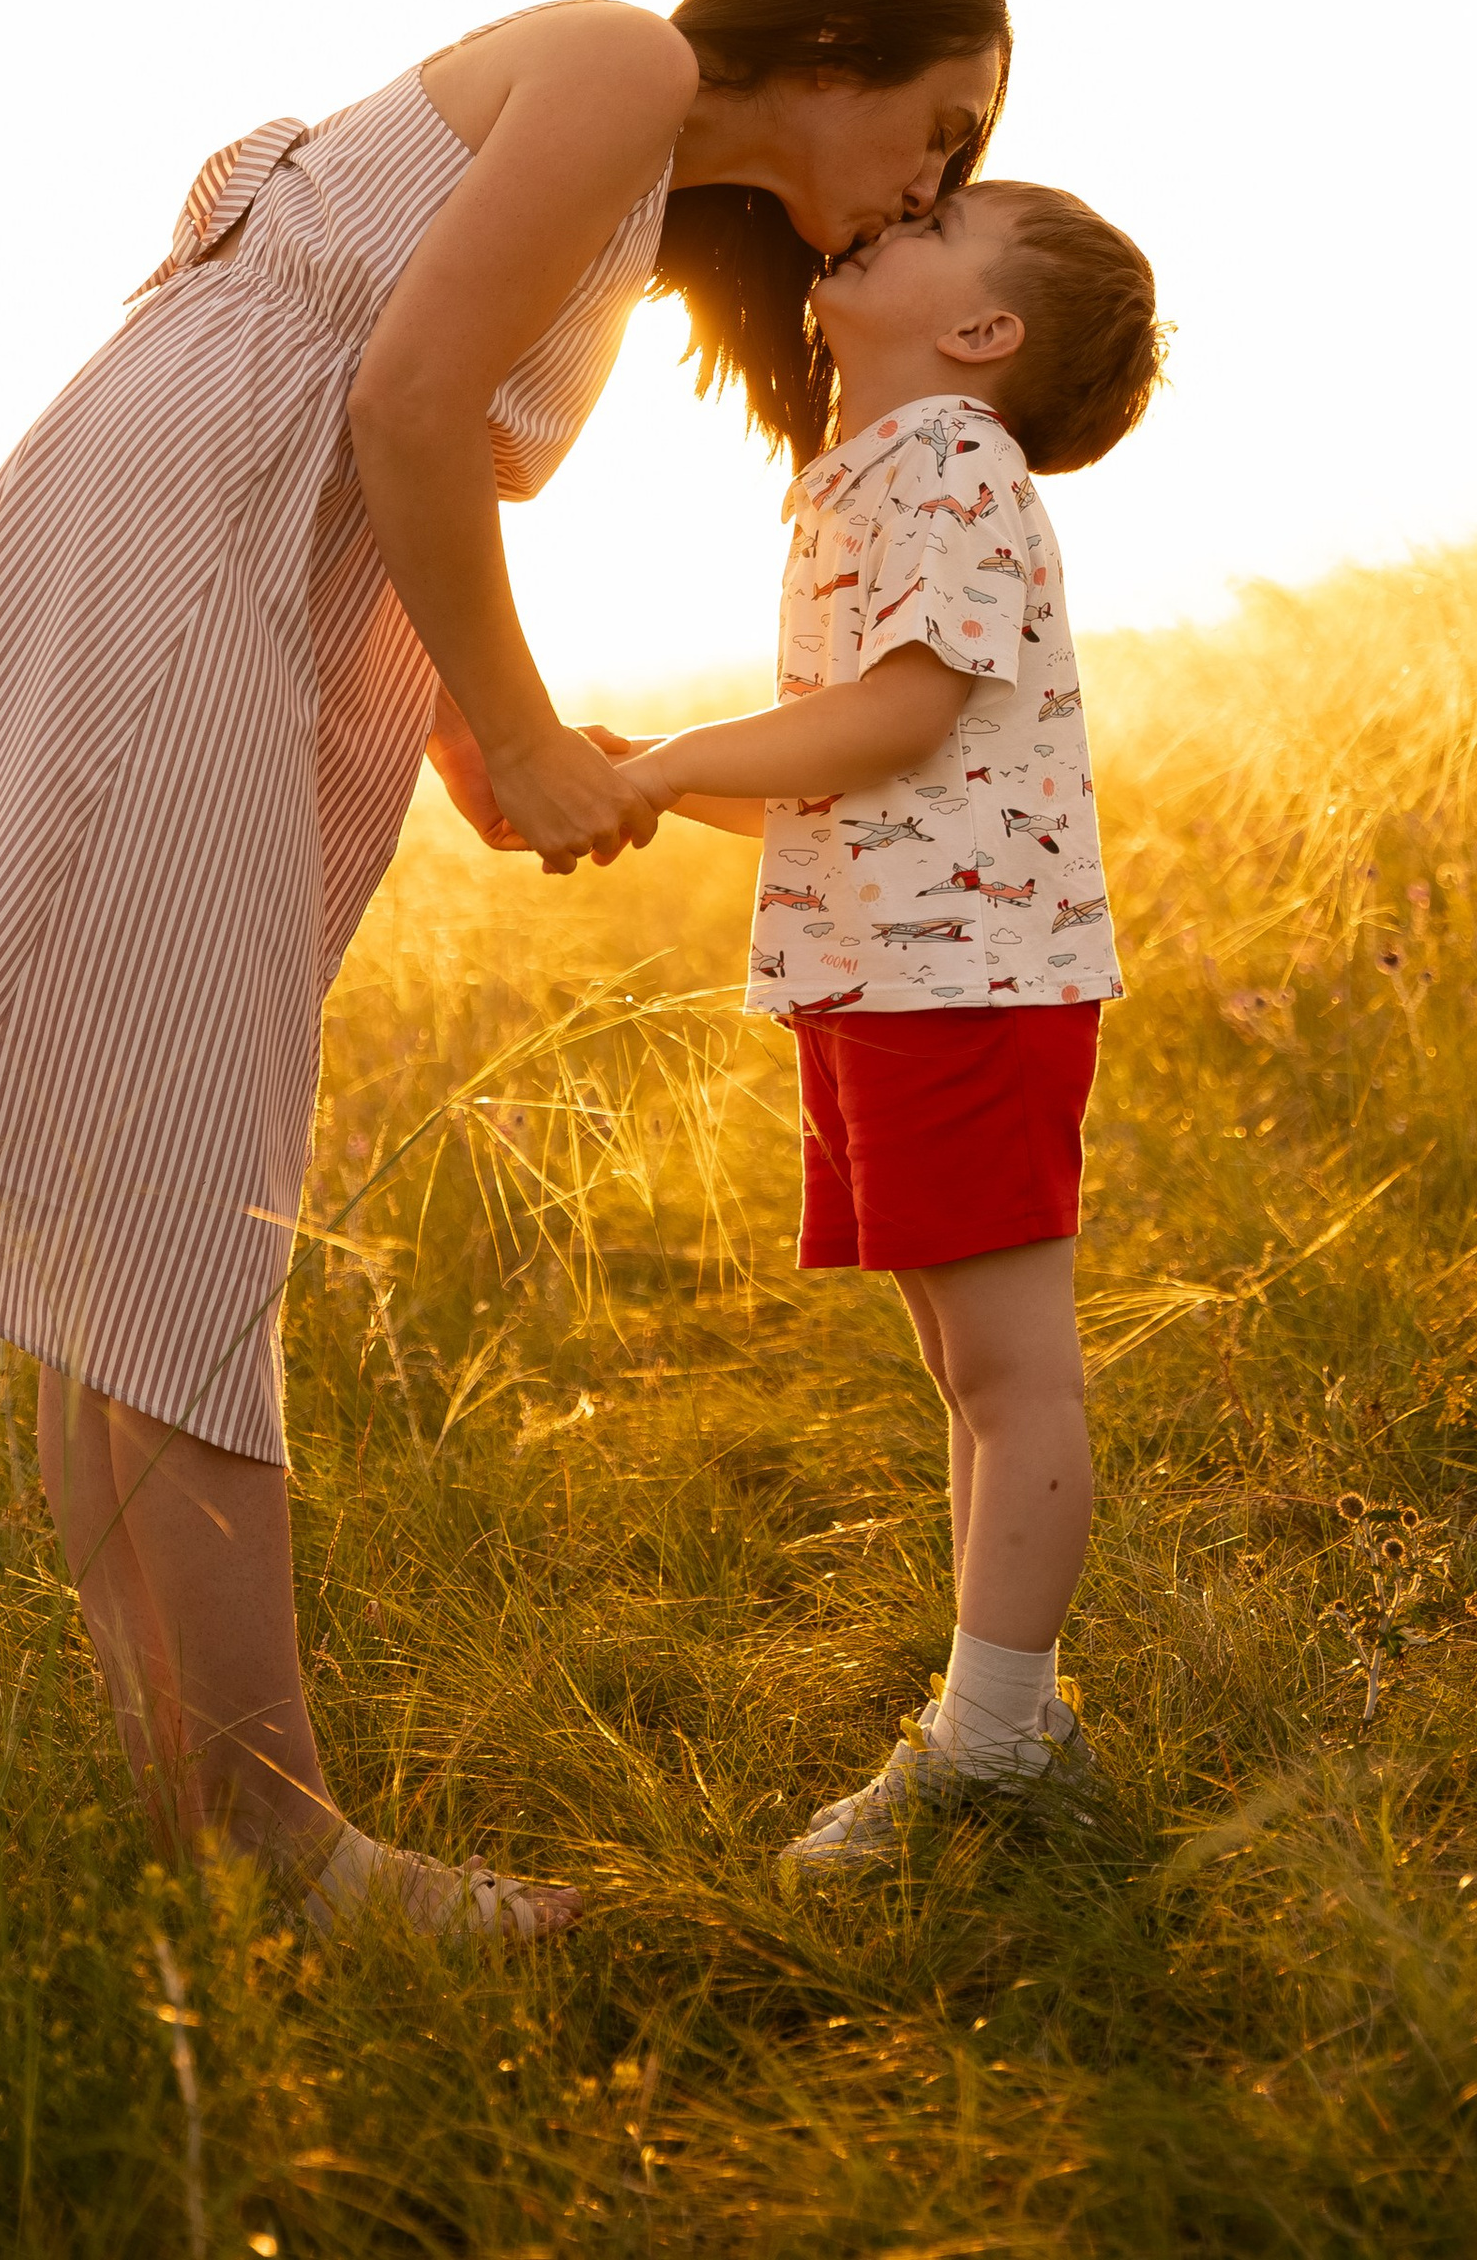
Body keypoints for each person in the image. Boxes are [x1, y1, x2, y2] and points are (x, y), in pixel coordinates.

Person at [0, 0, 1009, 1936]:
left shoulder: (628, 203)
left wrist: (468, 735)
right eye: (942, 124)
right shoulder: (624, 57)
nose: (933, 181)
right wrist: (524, 735)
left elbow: (389, 427)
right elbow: (401, 407)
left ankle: (198, 1818)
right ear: (836, 48)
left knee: (130, 1179)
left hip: (183, 544)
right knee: (180, 1174)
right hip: (176, 557)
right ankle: (285, 1847)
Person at [619, 176, 1164, 1871]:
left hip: (967, 979)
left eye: (941, 221)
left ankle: (997, 1739)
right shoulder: (871, 471)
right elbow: (844, 773)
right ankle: (1009, 1723)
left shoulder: (949, 460)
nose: (893, 211)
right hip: (888, 969)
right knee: (968, 1368)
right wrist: (639, 775)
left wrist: (661, 759)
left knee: (1012, 1374)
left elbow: (901, 716)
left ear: (981, 332)